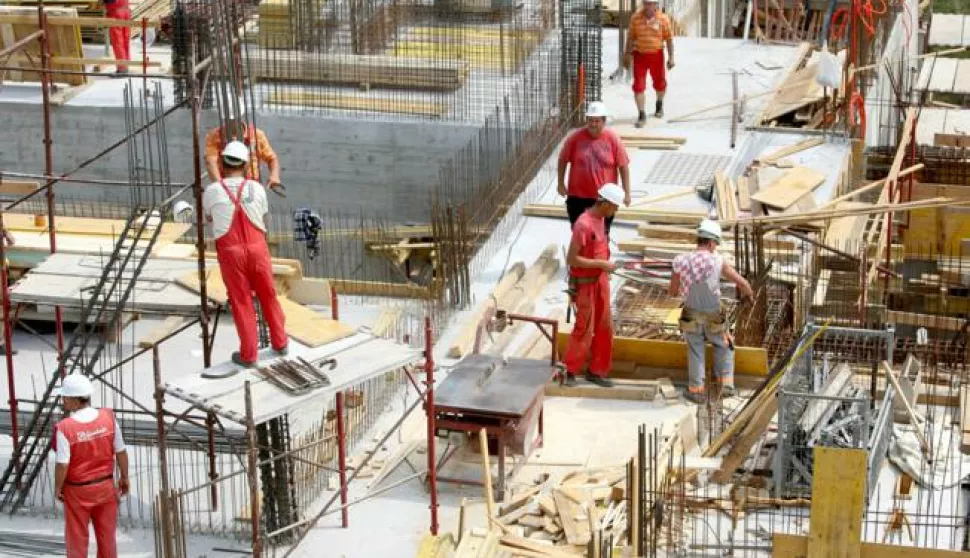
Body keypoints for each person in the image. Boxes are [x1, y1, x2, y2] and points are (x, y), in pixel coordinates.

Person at [203, 141, 288, 367]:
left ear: (222, 163)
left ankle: (249, 355)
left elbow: (210, 218)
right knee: (268, 295)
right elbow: (263, 217)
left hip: (231, 253)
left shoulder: (211, 191)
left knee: (242, 301)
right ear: (245, 165)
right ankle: (280, 342)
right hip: (257, 248)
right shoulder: (257, 188)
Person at [669, 219, 753, 404]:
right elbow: (742, 283)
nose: (715, 247)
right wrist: (749, 295)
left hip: (691, 314)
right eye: (715, 243)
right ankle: (725, 386)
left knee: (695, 350)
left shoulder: (680, 261)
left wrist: (682, 286)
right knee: (724, 345)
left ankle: (696, 390)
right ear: (710, 242)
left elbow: (673, 292)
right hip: (714, 315)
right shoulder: (718, 261)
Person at [52, 374, 129, 558]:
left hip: (78, 491)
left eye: (65, 397)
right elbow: (121, 450)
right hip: (105, 487)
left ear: (75, 400)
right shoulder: (108, 417)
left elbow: (62, 464)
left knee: (77, 539)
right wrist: (124, 477)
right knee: (107, 537)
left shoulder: (64, 428)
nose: (63, 401)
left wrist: (57, 488)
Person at [562, 183, 624, 388]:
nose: (615, 211)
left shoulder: (602, 219)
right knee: (584, 329)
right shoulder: (583, 224)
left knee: (605, 327)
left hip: (601, 281)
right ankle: (568, 370)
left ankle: (597, 371)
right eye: (614, 207)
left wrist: (606, 266)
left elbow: (600, 249)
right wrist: (601, 264)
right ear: (604, 203)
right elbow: (572, 259)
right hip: (586, 284)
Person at [557, 101, 631, 237]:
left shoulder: (613, 140)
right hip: (577, 199)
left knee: (601, 237)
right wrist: (560, 184)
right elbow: (562, 160)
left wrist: (627, 193)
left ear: (604, 121)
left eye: (597, 121)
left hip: (604, 200)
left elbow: (623, 166)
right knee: (580, 235)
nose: (593, 124)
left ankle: (600, 257)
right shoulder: (575, 139)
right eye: (590, 120)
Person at [624, 0, 675, 127]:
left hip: (656, 55)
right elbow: (630, 37)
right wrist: (626, 55)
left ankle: (659, 104)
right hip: (639, 55)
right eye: (646, 3)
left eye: (651, 3)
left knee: (660, 83)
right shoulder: (635, 18)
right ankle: (641, 114)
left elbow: (669, 39)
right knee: (638, 86)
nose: (648, 6)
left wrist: (671, 57)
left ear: (656, 4)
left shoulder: (663, 19)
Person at [204, 118, 283, 190]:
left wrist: (274, 176)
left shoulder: (257, 135)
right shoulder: (214, 136)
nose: (232, 122)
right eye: (229, 120)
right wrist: (221, 187)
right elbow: (210, 161)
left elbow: (271, 158)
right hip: (226, 183)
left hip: (252, 186)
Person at [103, 0, 131, 75]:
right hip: (126, 10)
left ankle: (122, 69)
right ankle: (126, 65)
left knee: (118, 41)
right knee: (125, 40)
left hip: (115, 12)